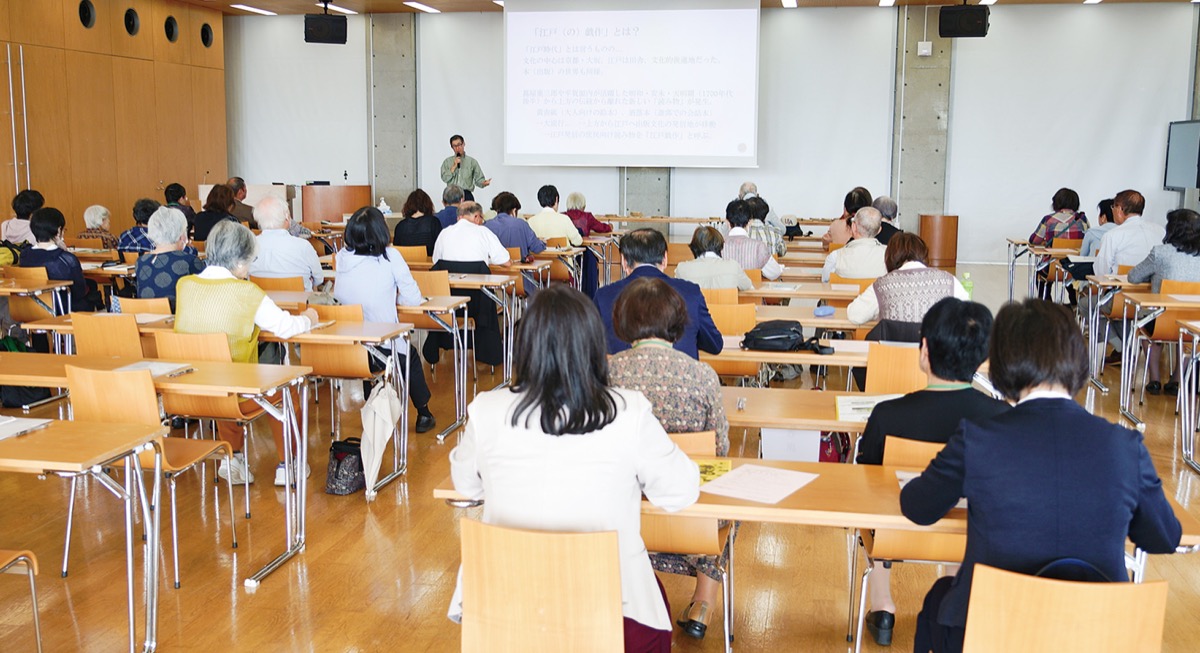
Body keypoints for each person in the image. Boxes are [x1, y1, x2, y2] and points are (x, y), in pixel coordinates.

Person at [900, 299, 1182, 653]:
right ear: (1077, 360)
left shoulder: (978, 440)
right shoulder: (1125, 447)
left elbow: (917, 507)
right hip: (1097, 636)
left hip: (996, 631)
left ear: (1001, 363)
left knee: (941, 598)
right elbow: (1164, 537)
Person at [448, 284, 700, 652]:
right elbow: (681, 492)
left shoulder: (487, 409)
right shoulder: (627, 410)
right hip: (610, 611)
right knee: (654, 604)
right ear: (594, 346)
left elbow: (465, 485)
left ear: (525, 346)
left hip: (507, 608)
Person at [855, 297, 1009, 646]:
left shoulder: (887, 414)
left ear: (924, 351)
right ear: (982, 357)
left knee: (879, 498)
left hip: (895, 533)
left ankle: (882, 605)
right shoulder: (1001, 419)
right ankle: (956, 590)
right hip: (970, 537)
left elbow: (867, 481)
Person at [608, 276, 730, 641]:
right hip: (689, 519)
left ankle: (631, 586)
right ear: (677, 321)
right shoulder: (702, 375)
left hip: (622, 512)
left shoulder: (606, 372)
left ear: (622, 321)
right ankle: (703, 603)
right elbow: (719, 451)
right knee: (724, 498)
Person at [174, 220, 318, 486]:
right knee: (286, 388)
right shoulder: (247, 292)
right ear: (240, 262)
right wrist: (310, 317)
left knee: (220, 372)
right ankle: (289, 464)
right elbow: (286, 328)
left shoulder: (185, 285)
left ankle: (233, 459)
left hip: (188, 394)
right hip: (234, 396)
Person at [335, 206, 437, 433]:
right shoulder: (390, 257)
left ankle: (373, 404)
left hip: (345, 351)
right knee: (409, 355)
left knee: (366, 340)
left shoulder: (341, 258)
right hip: (379, 351)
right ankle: (424, 413)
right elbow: (413, 299)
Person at [594, 228, 722, 359]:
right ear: (665, 259)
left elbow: (592, 348)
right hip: (680, 370)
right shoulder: (691, 292)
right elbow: (715, 344)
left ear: (624, 261)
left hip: (622, 371)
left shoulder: (603, 296)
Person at [1127, 208, 1200, 395]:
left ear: (1173, 228)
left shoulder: (1160, 252)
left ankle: (1154, 379)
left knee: (1145, 322)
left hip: (1161, 323)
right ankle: (1177, 380)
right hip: (1193, 324)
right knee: (1187, 338)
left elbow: (1133, 277)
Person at [847, 233, 967, 325]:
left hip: (892, 350)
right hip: (935, 349)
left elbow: (855, 315)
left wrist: (879, 311)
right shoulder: (949, 280)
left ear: (889, 257)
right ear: (924, 254)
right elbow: (967, 316)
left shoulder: (883, 285)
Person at [20, 207, 99, 311]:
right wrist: (64, 252)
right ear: (58, 231)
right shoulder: (67, 258)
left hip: (32, 309)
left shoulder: (24, 255)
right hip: (63, 309)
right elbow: (79, 292)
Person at [134, 207, 205, 311]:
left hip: (147, 316)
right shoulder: (190, 261)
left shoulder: (141, 262)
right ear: (182, 235)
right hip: (178, 318)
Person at [247, 196, 323, 291]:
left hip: (261, 298)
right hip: (300, 300)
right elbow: (319, 279)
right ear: (287, 217)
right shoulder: (303, 246)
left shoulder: (249, 246)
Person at [1094, 189, 1163, 276]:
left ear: (1119, 209)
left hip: (1121, 284)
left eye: (1113, 207)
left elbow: (1100, 272)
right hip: (1154, 284)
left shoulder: (1112, 235)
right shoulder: (1160, 231)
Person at [431, 201, 510, 267]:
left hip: (450, 280)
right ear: (476, 217)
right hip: (478, 280)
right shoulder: (483, 232)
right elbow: (506, 262)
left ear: (459, 217)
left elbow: (436, 261)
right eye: (482, 218)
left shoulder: (444, 233)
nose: (482, 222)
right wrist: (488, 260)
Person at [673, 226, 753, 290]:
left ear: (694, 247)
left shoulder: (682, 268)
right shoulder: (733, 266)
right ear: (720, 245)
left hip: (696, 306)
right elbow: (748, 287)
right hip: (725, 306)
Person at [822, 207, 888, 282]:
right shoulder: (889, 255)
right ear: (879, 230)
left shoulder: (835, 257)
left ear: (853, 227)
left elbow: (825, 282)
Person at [723, 199, 782, 280]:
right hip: (753, 287)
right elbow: (775, 273)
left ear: (727, 222)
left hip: (726, 288)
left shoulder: (718, 245)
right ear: (750, 222)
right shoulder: (758, 246)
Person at [485, 191, 545, 261]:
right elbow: (536, 248)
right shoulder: (521, 224)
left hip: (493, 267)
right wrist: (542, 242)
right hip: (520, 267)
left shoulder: (486, 225)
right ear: (514, 210)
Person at [391, 188, 442, 256]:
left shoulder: (400, 226)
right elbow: (440, 247)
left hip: (406, 262)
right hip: (428, 262)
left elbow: (397, 250)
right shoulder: (433, 222)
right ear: (428, 204)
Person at [439, 135, 489, 202]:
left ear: (463, 144)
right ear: (452, 147)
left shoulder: (472, 162)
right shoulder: (447, 162)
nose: (457, 148)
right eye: (454, 146)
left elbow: (478, 180)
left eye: (459, 145)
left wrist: (483, 183)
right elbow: (444, 178)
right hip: (451, 194)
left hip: (466, 195)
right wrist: (454, 166)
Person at [822, 186, 872, 250]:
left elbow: (826, 245)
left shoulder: (836, 225)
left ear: (845, 208)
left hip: (841, 256)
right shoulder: (872, 226)